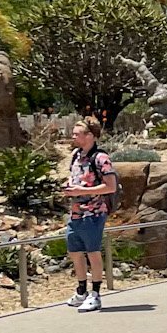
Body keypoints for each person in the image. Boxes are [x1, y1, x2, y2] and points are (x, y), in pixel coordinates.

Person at [63, 116, 118, 311]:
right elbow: (76, 177)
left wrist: (82, 190)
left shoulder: (101, 158)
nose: (73, 137)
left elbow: (111, 186)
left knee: (93, 252)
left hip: (93, 213)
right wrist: (70, 187)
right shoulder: (76, 155)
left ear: (90, 135)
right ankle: (81, 291)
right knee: (75, 251)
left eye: (77, 134)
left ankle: (95, 293)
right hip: (76, 212)